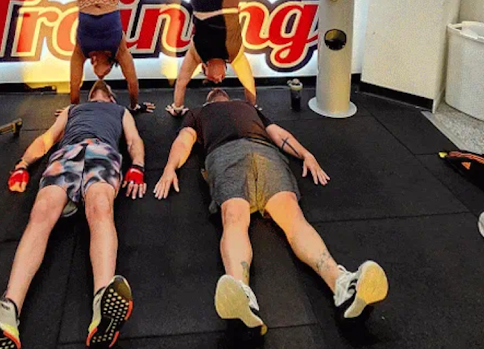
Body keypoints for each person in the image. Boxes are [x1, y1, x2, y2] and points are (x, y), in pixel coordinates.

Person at [154, 89, 388, 332]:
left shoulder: (247, 107)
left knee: (285, 217)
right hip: (228, 153)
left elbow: (277, 133)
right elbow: (185, 140)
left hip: (261, 151)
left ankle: (342, 286)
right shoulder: (199, 113)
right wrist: (170, 168)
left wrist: (306, 154)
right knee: (240, 216)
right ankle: (241, 299)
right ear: (211, 101)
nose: (219, 94)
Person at [0, 80, 147, 349]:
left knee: (100, 206)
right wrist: (23, 165)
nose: (98, 90)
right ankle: (8, 311)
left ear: (110, 98)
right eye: (94, 91)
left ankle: (103, 305)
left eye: (103, 91)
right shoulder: (73, 110)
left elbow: (133, 140)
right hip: (66, 154)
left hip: (102, 152)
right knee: (41, 212)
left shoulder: (120, 111)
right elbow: (46, 140)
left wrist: (138, 166)